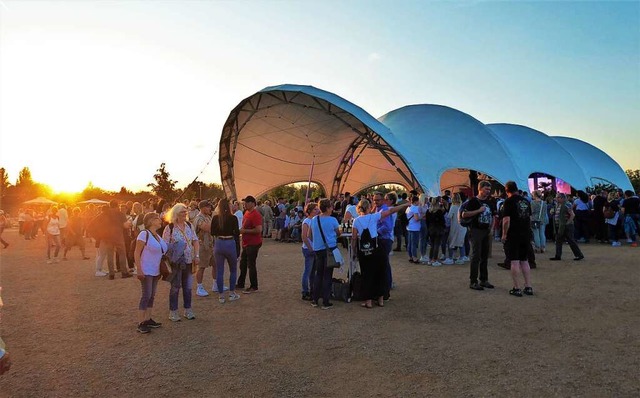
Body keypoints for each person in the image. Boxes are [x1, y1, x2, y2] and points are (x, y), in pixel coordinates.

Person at [352, 198, 410, 309]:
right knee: (379, 273)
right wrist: (405, 204)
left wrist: (354, 251)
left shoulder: (356, 220)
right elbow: (391, 211)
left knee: (366, 275)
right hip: (376, 248)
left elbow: (354, 238)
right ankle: (380, 299)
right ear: (369, 207)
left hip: (364, 251)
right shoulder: (374, 217)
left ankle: (368, 301)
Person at [162, 203, 200, 321]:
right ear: (176, 214)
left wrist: (197, 255)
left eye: (185, 212)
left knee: (188, 287)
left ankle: (188, 310)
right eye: (182, 212)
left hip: (189, 260)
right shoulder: (170, 228)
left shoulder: (189, 225)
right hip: (176, 262)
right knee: (175, 286)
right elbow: (164, 245)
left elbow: (195, 240)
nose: (185, 214)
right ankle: (173, 311)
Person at [134, 213, 168, 333]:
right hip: (146, 269)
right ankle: (141, 322)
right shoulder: (144, 234)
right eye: (157, 218)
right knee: (146, 295)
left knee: (151, 296)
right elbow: (137, 253)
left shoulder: (157, 236)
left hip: (155, 270)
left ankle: (148, 319)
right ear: (150, 221)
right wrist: (139, 269)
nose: (160, 220)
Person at [501, 181, 534, 297]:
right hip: (525, 233)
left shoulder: (508, 201)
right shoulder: (525, 201)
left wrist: (504, 234)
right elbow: (529, 218)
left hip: (514, 234)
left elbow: (506, 220)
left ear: (507, 190)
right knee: (524, 260)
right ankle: (528, 286)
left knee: (514, 261)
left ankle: (517, 287)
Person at [462, 181, 496, 291]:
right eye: (486, 189)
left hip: (486, 230)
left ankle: (484, 279)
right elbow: (464, 214)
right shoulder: (473, 201)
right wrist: (478, 211)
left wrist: (492, 228)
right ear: (480, 189)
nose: (488, 191)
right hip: (476, 230)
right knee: (476, 255)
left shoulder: (490, 201)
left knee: (484, 256)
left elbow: (494, 216)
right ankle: (473, 281)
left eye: (489, 189)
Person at [310, 198, 340, 310]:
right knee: (327, 275)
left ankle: (315, 299)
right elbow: (338, 233)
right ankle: (326, 301)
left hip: (318, 249)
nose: (332, 209)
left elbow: (309, 235)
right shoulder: (332, 220)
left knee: (318, 274)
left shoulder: (314, 219)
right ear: (327, 208)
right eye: (331, 207)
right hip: (329, 249)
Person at [210, 198, 241, 303]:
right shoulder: (233, 218)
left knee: (219, 270)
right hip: (230, 242)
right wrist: (238, 250)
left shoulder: (215, 218)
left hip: (219, 243)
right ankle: (232, 293)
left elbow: (212, 232)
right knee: (233, 270)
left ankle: (221, 296)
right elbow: (236, 233)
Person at [236, 195, 263, 294]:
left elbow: (259, 229)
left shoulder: (255, 215)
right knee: (243, 264)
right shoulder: (247, 213)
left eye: (246, 202)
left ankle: (254, 286)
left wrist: (244, 231)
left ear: (252, 203)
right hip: (246, 243)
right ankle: (241, 283)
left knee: (251, 265)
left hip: (253, 243)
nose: (245, 204)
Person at [193, 200, 219, 297]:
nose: (210, 209)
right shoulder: (199, 218)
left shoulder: (208, 217)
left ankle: (215, 284)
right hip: (203, 246)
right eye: (208, 207)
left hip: (210, 246)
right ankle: (199, 287)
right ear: (203, 207)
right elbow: (208, 228)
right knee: (201, 267)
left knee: (215, 264)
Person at [550, 193, 585, 261]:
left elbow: (572, 215)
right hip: (560, 226)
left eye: (558, 197)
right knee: (558, 240)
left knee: (570, 240)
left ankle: (579, 255)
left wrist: (567, 223)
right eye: (556, 197)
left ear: (562, 198)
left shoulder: (566, 205)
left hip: (566, 226)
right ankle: (558, 255)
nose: (556, 199)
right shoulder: (557, 205)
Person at [300, 202, 319, 301]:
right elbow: (304, 237)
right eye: (315, 209)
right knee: (307, 271)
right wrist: (310, 248)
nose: (317, 211)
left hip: (314, 248)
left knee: (313, 271)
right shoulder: (307, 221)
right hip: (309, 249)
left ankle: (312, 289)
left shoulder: (315, 220)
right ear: (310, 211)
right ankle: (305, 291)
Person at [446, 193, 467, 265]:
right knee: (461, 242)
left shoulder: (453, 206)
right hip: (463, 227)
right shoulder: (463, 206)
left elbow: (449, 216)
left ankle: (450, 258)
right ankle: (462, 257)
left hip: (455, 226)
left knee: (451, 242)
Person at [425, 197, 446, 266]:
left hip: (431, 228)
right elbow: (442, 221)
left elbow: (427, 221)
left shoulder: (428, 211)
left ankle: (430, 259)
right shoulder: (439, 211)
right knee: (437, 244)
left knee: (432, 244)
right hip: (438, 229)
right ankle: (435, 259)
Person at [405, 196, 421, 263]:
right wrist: (422, 217)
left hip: (409, 227)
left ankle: (410, 256)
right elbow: (416, 218)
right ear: (416, 201)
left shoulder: (408, 208)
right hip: (415, 227)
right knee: (414, 243)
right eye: (418, 201)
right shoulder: (415, 208)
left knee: (410, 243)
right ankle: (414, 257)